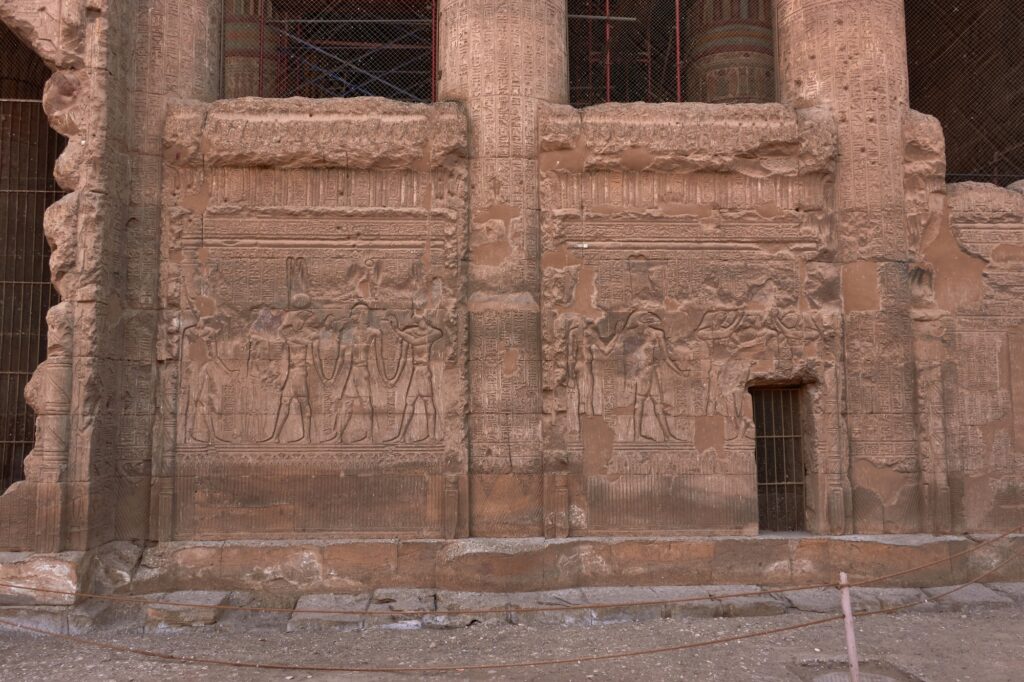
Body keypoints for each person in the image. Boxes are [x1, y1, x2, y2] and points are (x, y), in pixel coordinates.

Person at [385, 312, 443, 443]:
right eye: (416, 321)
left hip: (423, 371)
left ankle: (431, 437)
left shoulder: (434, 333)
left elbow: (415, 341)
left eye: (419, 320)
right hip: (416, 371)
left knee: (427, 400)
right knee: (409, 402)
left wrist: (398, 331)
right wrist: (395, 378)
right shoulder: (413, 331)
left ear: (425, 319)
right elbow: (403, 356)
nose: (417, 323)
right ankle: (401, 436)